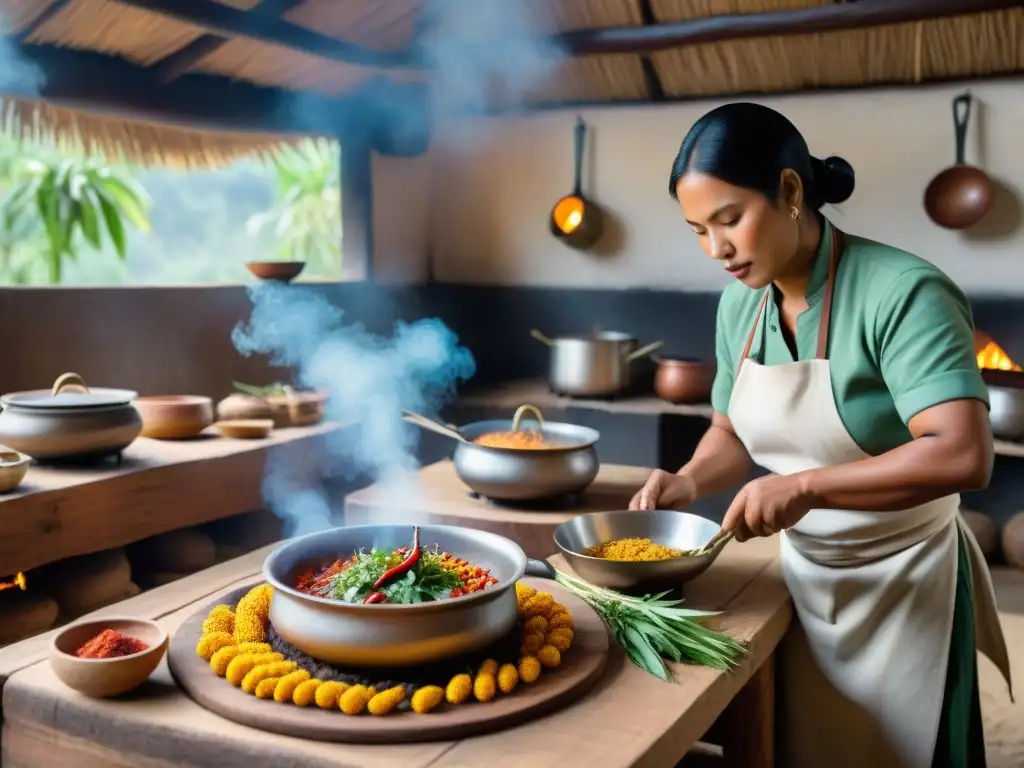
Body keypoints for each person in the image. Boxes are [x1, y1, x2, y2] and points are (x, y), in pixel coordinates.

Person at [629, 102, 1012, 768]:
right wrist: (689, 479)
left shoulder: (904, 292)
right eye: (697, 230)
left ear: (791, 190)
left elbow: (962, 453)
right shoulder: (739, 305)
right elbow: (730, 431)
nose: (716, 250)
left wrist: (805, 486)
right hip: (802, 576)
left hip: (907, 579)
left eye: (729, 220)